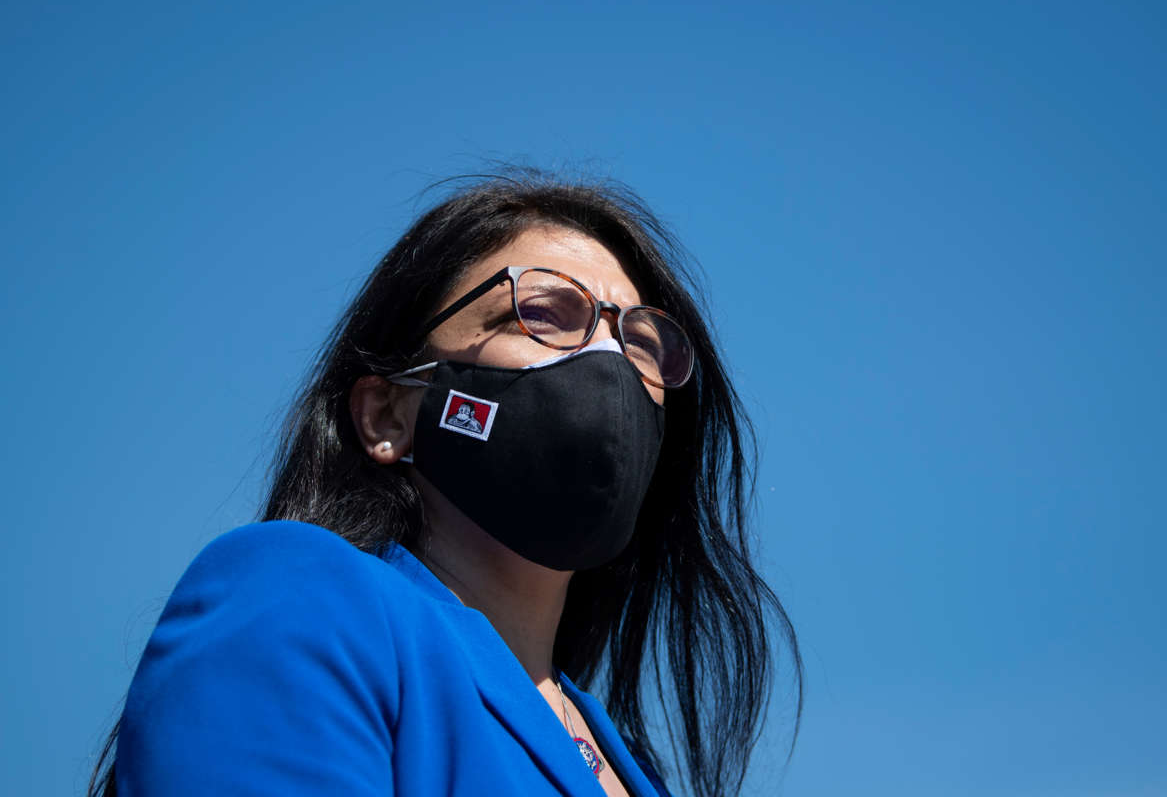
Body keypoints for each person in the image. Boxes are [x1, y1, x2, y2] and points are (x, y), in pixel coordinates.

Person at [89, 171, 802, 797]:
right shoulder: (300, 596)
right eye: (544, 314)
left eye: (643, 346)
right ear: (388, 413)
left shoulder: (628, 765)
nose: (609, 361)